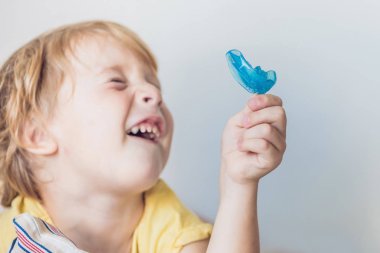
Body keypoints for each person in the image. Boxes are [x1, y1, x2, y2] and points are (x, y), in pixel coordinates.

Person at [0, 20, 287, 253]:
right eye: (117, 82)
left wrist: (238, 184)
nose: (156, 94)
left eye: (153, 83)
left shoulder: (172, 225)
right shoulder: (10, 235)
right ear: (38, 135)